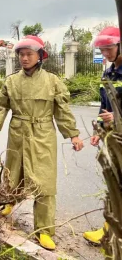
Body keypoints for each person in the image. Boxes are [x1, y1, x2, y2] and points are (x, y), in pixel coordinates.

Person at [0, 37, 84, 250]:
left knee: (45, 182)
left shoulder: (52, 81)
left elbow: (63, 110)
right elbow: (1, 106)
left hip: (43, 133)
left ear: (40, 56)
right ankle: (9, 201)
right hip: (18, 132)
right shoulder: (11, 81)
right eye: (21, 54)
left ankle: (44, 231)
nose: (24, 58)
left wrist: (73, 134)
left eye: (29, 54)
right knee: (13, 172)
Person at [83, 26, 122, 244]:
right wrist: (98, 129)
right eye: (103, 50)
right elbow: (103, 105)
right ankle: (109, 230)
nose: (105, 54)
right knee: (113, 182)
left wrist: (116, 119)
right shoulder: (108, 73)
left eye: (109, 49)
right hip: (110, 136)